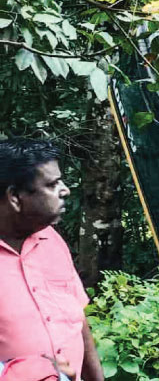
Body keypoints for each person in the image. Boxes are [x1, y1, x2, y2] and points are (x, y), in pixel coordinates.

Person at [0, 139, 103, 381]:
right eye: (52, 184)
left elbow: (77, 320)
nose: (65, 190)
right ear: (15, 196)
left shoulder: (51, 240)